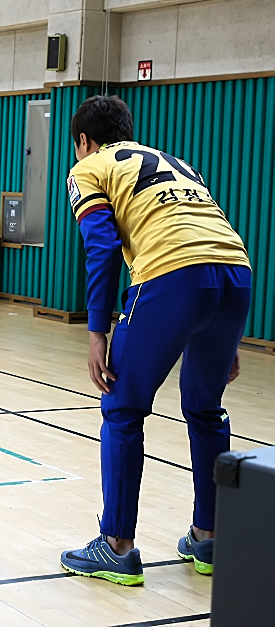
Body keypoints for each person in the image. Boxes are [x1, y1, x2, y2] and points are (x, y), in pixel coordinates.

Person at [59, 95, 252, 586]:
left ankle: (117, 546)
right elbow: (211, 240)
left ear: (84, 140)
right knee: (206, 410)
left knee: (122, 406)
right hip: (236, 277)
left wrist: (97, 331)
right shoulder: (180, 164)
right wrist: (228, 339)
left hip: (169, 277)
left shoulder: (90, 168)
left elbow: (102, 247)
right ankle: (210, 537)